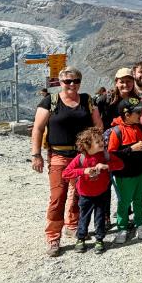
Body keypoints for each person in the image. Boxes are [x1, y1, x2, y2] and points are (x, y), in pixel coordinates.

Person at [30, 66, 103, 257]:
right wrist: (36, 155)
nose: (72, 84)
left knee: (79, 193)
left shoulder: (87, 100)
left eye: (75, 81)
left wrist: (96, 152)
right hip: (59, 156)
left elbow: (98, 126)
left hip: (82, 157)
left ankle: (72, 224)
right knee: (58, 197)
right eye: (67, 81)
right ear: (60, 83)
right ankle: (53, 237)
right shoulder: (50, 101)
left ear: (80, 82)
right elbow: (37, 128)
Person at [62, 127, 124, 254]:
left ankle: (99, 239)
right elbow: (66, 173)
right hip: (85, 195)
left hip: (102, 193)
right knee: (84, 217)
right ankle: (81, 238)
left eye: (102, 140)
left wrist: (107, 166)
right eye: (98, 141)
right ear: (86, 145)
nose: (102, 143)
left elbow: (120, 165)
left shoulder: (105, 155)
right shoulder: (81, 158)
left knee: (100, 217)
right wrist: (83, 171)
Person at [107, 97, 142, 244]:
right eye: (138, 112)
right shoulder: (117, 131)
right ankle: (122, 227)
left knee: (138, 200)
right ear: (127, 114)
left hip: (139, 172)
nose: (141, 114)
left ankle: (140, 224)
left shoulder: (138, 127)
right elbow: (111, 154)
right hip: (124, 175)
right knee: (124, 202)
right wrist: (131, 149)